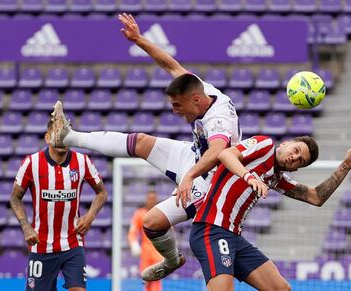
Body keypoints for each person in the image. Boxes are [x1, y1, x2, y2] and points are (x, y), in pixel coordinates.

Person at [49, 12, 241, 281]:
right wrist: (138, 39)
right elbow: (170, 64)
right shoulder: (202, 90)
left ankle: (172, 260)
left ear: (196, 100)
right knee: (140, 142)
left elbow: (218, 150)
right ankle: (67, 137)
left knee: (150, 223)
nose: (174, 111)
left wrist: (189, 176)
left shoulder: (219, 120)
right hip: (195, 155)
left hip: (212, 179)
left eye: (177, 105)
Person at [189, 135, 351, 291]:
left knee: (282, 289)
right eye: (296, 150)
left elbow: (316, 197)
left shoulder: (275, 178)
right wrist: (249, 177)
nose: (295, 157)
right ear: (285, 143)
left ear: (296, 169)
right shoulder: (265, 145)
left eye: (300, 160)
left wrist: (345, 166)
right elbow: (225, 154)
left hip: (233, 238)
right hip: (211, 230)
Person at [10, 119, 108, 291]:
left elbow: (102, 192)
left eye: (66, 134)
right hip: (41, 245)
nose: (62, 138)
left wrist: (90, 216)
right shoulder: (31, 163)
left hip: (72, 243)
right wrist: (26, 228)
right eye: (57, 133)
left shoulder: (83, 161)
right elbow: (15, 197)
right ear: (47, 137)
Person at [128, 190, 163, 291]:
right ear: (146, 200)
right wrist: (134, 243)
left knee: (156, 280)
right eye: (149, 199)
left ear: (156, 200)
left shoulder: (161, 214)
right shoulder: (139, 214)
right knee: (146, 280)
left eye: (153, 199)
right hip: (145, 253)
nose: (151, 201)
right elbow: (132, 231)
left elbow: (170, 232)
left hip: (158, 252)